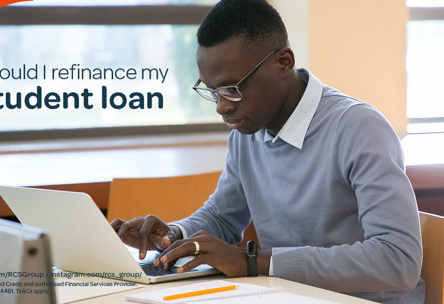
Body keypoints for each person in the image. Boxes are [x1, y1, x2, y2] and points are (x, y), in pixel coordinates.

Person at [111, 0, 425, 303]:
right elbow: (222, 216)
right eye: (212, 91)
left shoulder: (358, 128)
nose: (222, 106)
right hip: (288, 296)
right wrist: (173, 236)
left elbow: (397, 260)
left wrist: (254, 262)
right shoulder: (247, 130)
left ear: (283, 63)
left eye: (232, 88)